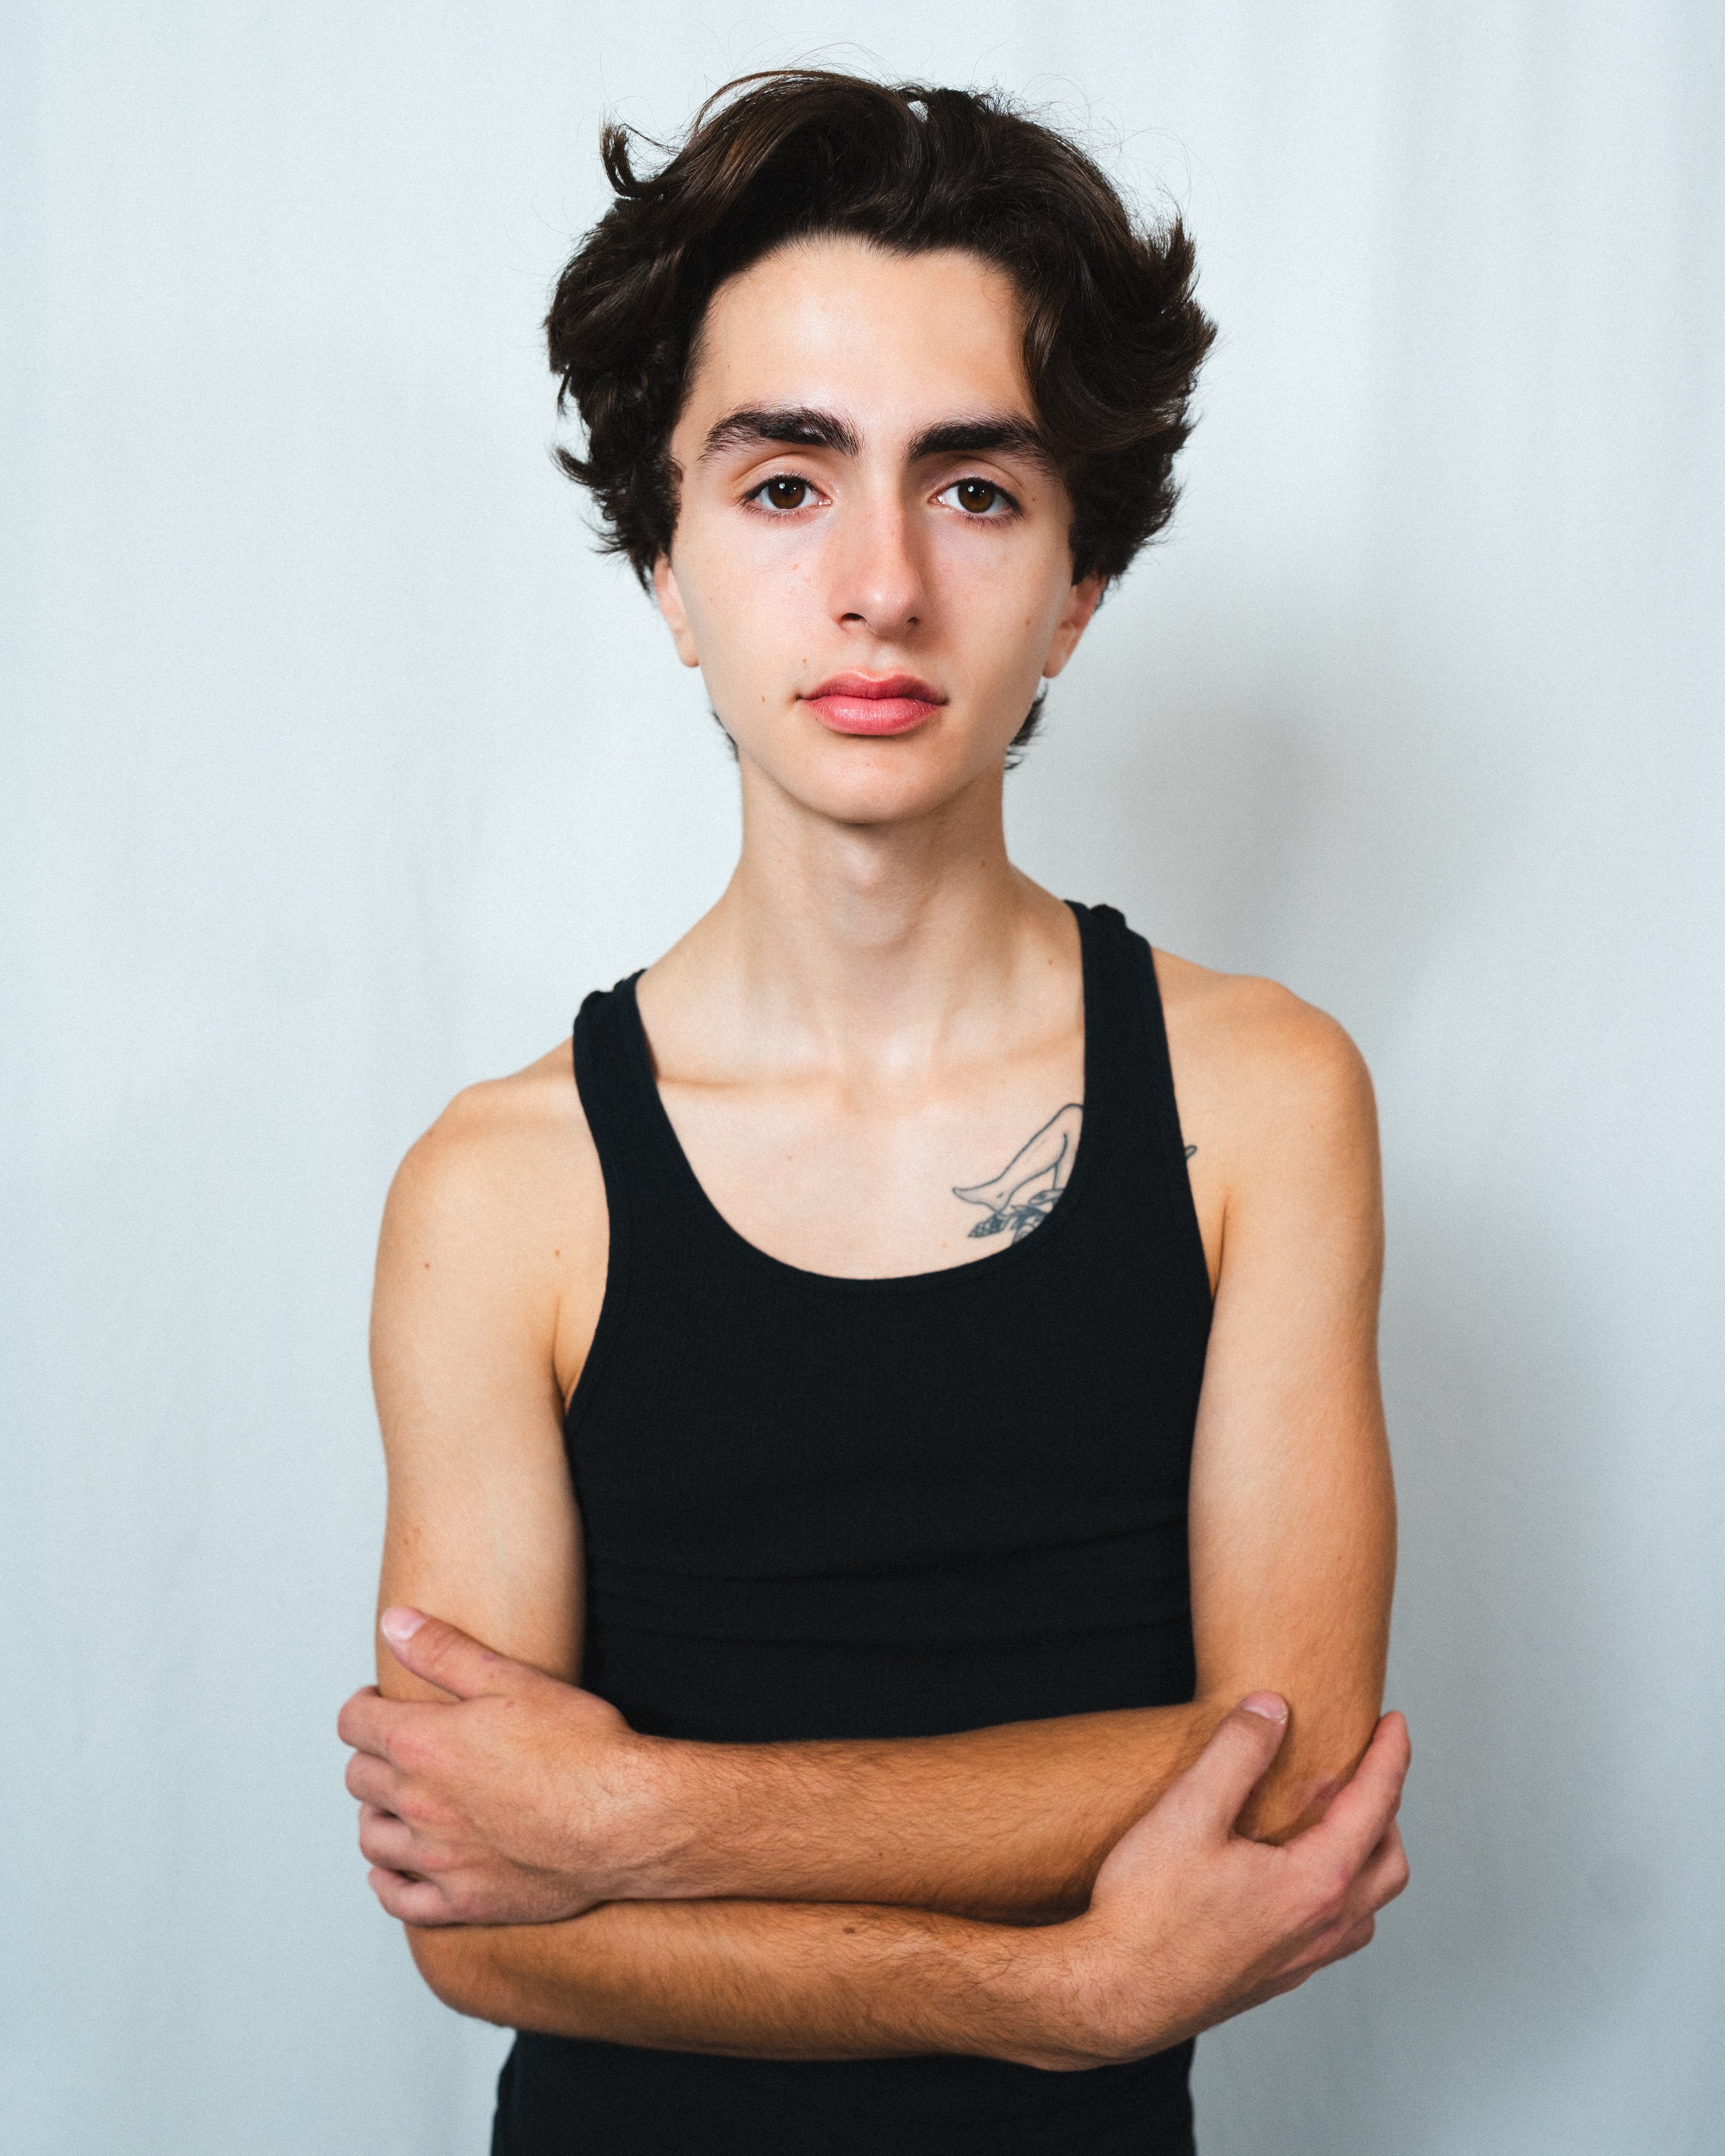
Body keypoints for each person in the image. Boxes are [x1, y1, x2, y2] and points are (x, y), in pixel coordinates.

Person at [336, 70, 1409, 2156]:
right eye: (783, 483)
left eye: (976, 489)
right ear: (663, 561)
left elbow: (1291, 1774)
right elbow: (475, 1915)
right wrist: (1047, 1989)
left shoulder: (1258, 1100)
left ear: (1078, 584)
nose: (883, 588)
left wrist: (635, 1812)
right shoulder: (502, 1185)